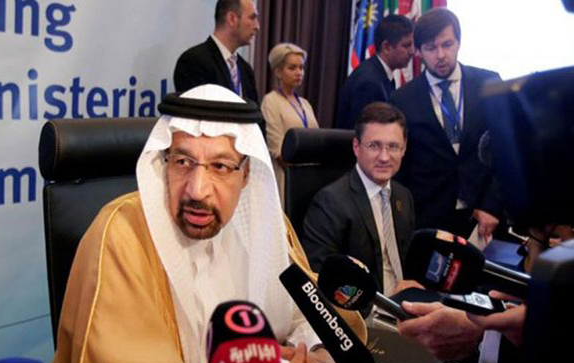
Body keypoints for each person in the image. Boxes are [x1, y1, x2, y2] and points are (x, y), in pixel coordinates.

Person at [49, 84, 357, 363]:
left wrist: (317, 359)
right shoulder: (122, 235)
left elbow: (306, 314)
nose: (197, 190)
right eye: (182, 162)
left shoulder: (262, 223)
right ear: (164, 161)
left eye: (220, 167)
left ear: (246, 174)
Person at [390, 8, 502, 239]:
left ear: (459, 42)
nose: (440, 55)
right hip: (427, 218)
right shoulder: (402, 99)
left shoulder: (489, 84)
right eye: (431, 48)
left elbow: (505, 151)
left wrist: (493, 204)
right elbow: (401, 167)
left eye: (447, 44)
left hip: (483, 216)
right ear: (418, 51)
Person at [303, 102, 418, 296]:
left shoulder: (403, 196)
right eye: (374, 146)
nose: (384, 157)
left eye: (393, 146)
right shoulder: (330, 203)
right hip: (364, 307)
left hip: (405, 301)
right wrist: (380, 302)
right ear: (356, 147)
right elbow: (319, 278)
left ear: (404, 148)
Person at [261, 43, 319, 206]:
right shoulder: (271, 101)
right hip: (286, 177)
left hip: (310, 177)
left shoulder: (305, 104)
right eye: (292, 68)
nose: (299, 72)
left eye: (301, 67)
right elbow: (277, 148)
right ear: (278, 72)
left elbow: (317, 141)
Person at [335, 15, 414, 130]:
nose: (412, 52)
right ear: (386, 47)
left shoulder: (378, 74)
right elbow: (365, 133)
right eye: (406, 46)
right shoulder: (369, 83)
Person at [174, 0, 259, 104]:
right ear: (232, 19)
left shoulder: (246, 70)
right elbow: (196, 110)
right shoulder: (193, 62)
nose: (257, 26)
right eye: (252, 18)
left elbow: (255, 111)